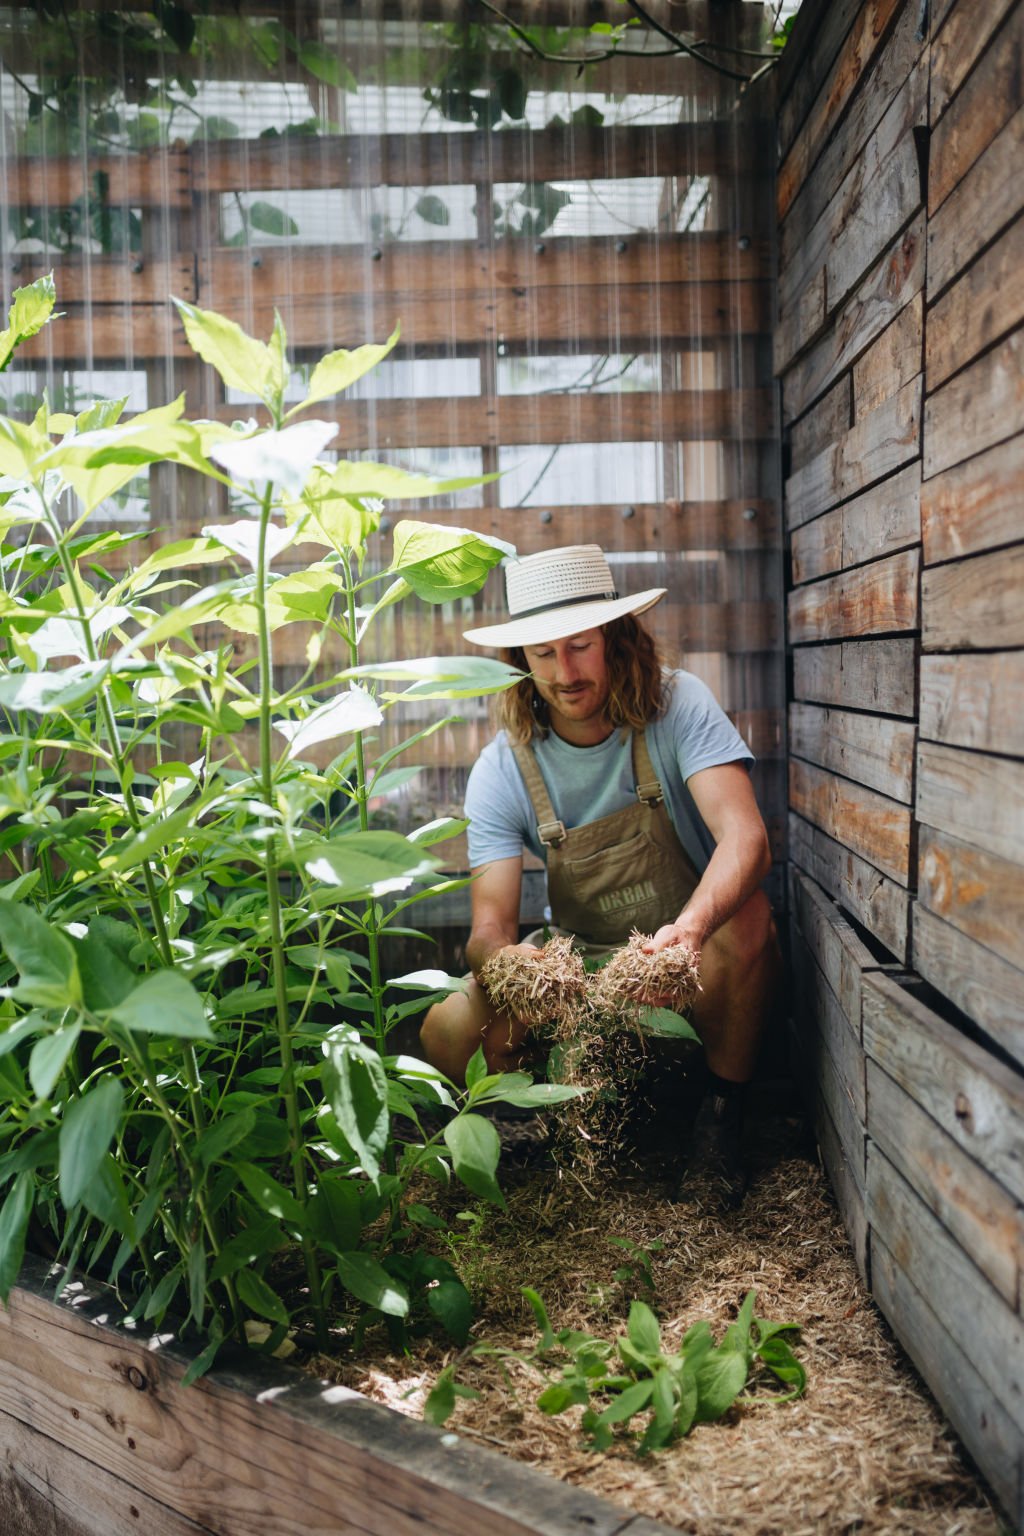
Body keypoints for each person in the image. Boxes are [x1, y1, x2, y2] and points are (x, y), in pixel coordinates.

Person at [420, 543, 779, 1197]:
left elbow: (747, 841)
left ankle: (723, 1121)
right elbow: (487, 927)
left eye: (580, 645)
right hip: (582, 989)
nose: (565, 671)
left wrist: (691, 929)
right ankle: (541, 1131)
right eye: (543, 654)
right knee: (446, 1024)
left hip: (687, 975)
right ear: (519, 663)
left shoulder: (679, 708)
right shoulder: (503, 767)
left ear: (616, 637)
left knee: (748, 919)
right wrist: (508, 966)